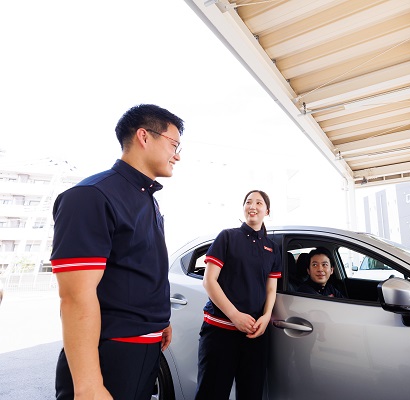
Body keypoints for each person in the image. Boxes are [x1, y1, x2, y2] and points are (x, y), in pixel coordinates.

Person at [50, 104, 184, 400]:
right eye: (174, 144)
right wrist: (88, 385)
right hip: (110, 352)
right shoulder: (91, 196)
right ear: (144, 137)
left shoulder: (147, 199)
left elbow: (137, 270)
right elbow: (74, 295)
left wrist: (159, 321)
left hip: (146, 348)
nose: (177, 155)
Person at [195, 190, 282, 400]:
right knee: (211, 394)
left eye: (259, 203)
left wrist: (265, 317)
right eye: (249, 202)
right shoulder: (227, 237)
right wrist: (235, 316)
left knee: (251, 394)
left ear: (267, 211)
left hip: (254, 334)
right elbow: (209, 281)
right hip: (220, 332)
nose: (253, 206)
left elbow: (271, 288)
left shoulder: (272, 248)